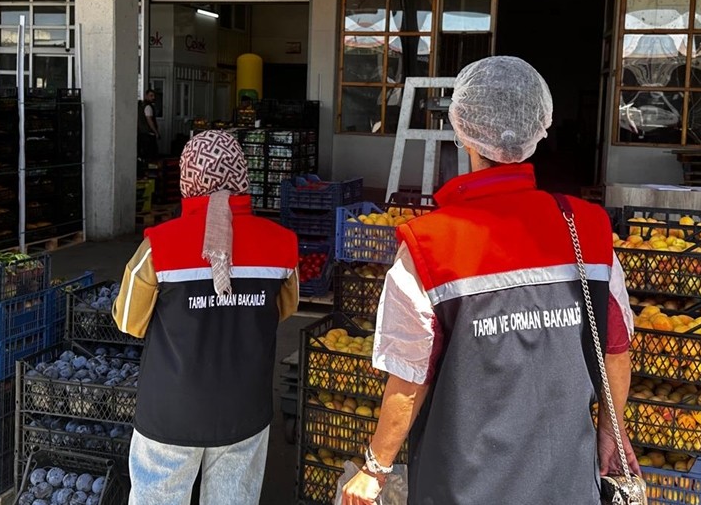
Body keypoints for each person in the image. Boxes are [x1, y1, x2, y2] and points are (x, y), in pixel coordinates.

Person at [341, 56, 638, 505]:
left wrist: (375, 468)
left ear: (463, 132)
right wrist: (610, 431)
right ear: (539, 128)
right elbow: (615, 348)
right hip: (568, 482)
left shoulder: (428, 244)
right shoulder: (587, 228)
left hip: (461, 487)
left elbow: (409, 376)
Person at [113, 130, 300, 505]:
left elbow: (129, 321)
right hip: (245, 408)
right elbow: (285, 309)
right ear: (242, 175)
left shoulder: (158, 246)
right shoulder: (282, 244)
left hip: (171, 412)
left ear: (188, 177)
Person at [139, 89, 161, 161]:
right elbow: (150, 121)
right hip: (149, 134)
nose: (153, 97)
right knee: (151, 154)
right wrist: (156, 132)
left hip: (142, 133)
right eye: (151, 96)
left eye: (154, 96)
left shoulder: (141, 105)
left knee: (145, 154)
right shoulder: (148, 107)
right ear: (146, 96)